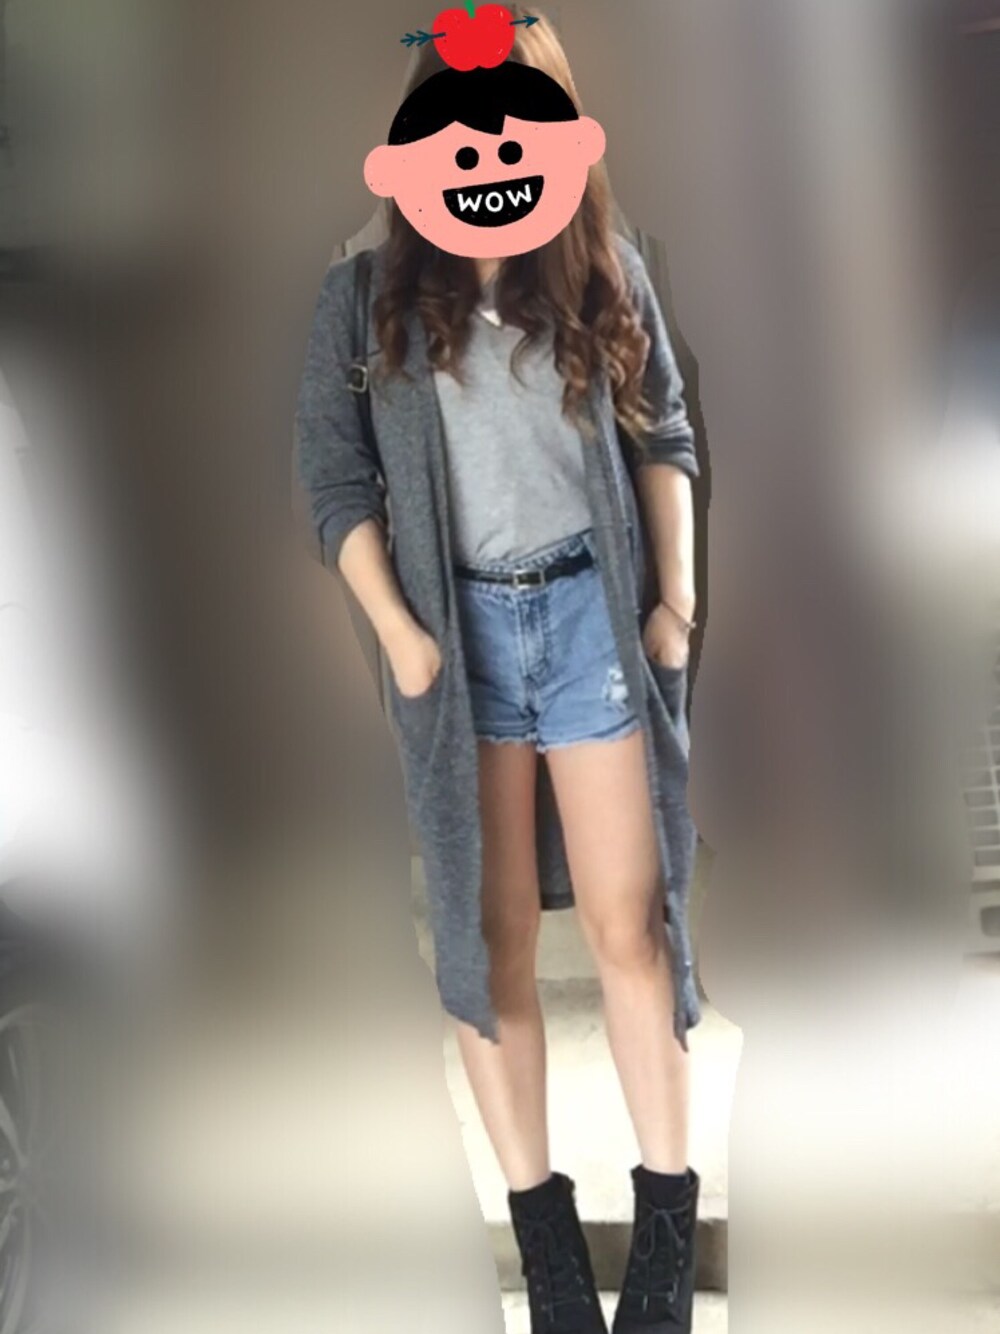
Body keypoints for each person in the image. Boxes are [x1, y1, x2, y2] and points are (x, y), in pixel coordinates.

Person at [296, 10, 702, 1332]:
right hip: (459, 653)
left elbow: (665, 433)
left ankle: (663, 1234)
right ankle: (549, 1255)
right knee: (493, 943)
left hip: (590, 627)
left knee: (631, 928)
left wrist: (676, 602)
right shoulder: (361, 298)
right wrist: (402, 636)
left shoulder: (601, 269)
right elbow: (334, 485)